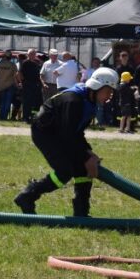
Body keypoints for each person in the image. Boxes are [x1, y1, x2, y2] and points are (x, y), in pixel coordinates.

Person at [13, 67, 119, 217]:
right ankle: (27, 196)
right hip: (45, 134)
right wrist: (87, 157)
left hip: (60, 133)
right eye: (108, 91)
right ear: (97, 87)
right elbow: (68, 135)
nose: (110, 96)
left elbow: (77, 133)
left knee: (83, 170)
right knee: (64, 172)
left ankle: (81, 212)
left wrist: (88, 153)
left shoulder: (89, 101)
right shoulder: (73, 101)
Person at [18, 49, 43, 123]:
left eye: (34, 54)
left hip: (35, 85)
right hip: (27, 85)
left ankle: (31, 117)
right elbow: (19, 73)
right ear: (28, 55)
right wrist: (22, 82)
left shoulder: (37, 63)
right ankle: (25, 118)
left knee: (34, 102)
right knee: (26, 102)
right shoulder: (25, 63)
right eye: (31, 54)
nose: (33, 55)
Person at [0, 51, 19, 121]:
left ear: (4, 56)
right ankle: (5, 117)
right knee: (8, 102)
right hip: (10, 86)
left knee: (2, 102)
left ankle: (1, 117)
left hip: (1, 86)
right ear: (10, 57)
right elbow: (15, 76)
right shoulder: (13, 65)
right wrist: (17, 85)